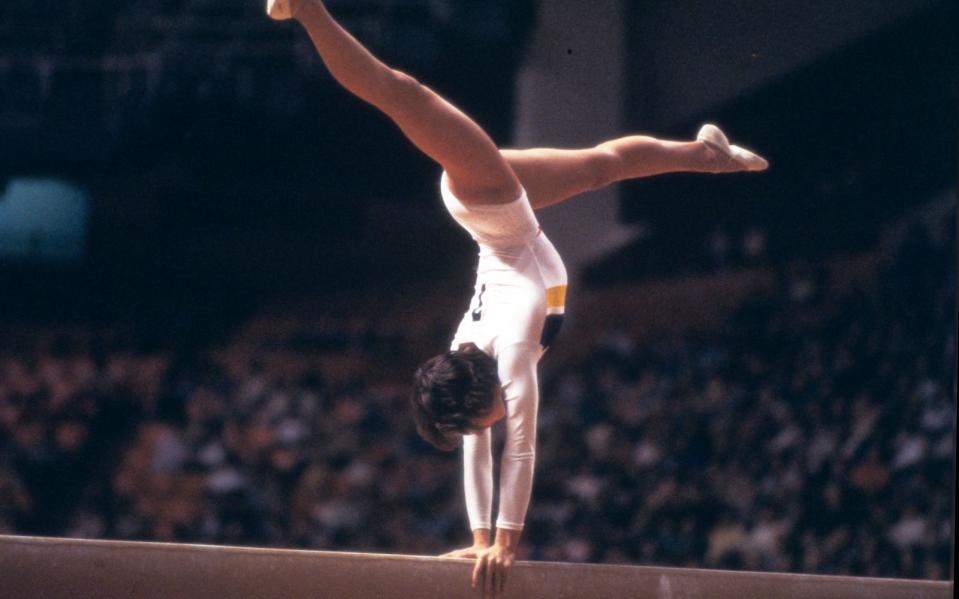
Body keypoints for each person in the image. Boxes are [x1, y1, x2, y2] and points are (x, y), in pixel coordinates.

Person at [267, 0, 768, 595]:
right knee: (602, 165)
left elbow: (520, 453)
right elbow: (479, 452)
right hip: (502, 220)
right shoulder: (483, 365)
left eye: (479, 421)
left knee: (400, 94)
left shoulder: (511, 356)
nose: (487, 429)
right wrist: (483, 542)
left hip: (489, 204)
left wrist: (506, 542)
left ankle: (309, 10)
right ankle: (706, 156)